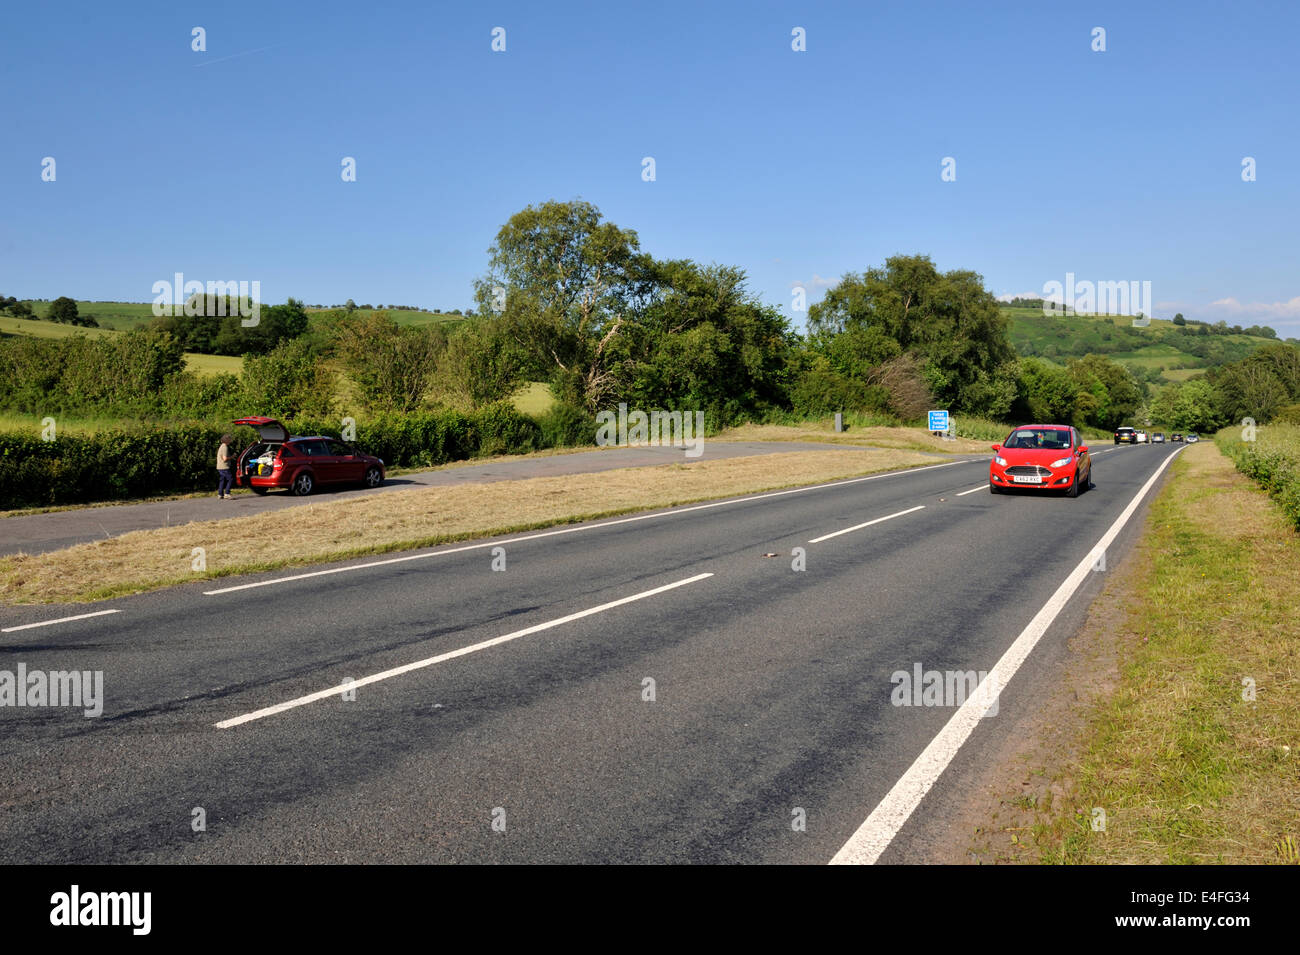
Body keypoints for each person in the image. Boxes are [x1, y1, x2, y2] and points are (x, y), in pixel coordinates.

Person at [216, 434, 234, 500]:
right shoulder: (225, 447)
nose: (230, 441)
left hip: (219, 466)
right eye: (230, 440)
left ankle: (220, 494)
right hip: (224, 467)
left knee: (222, 480)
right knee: (230, 479)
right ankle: (227, 493)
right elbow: (225, 458)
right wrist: (232, 457)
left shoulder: (221, 446)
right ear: (227, 440)